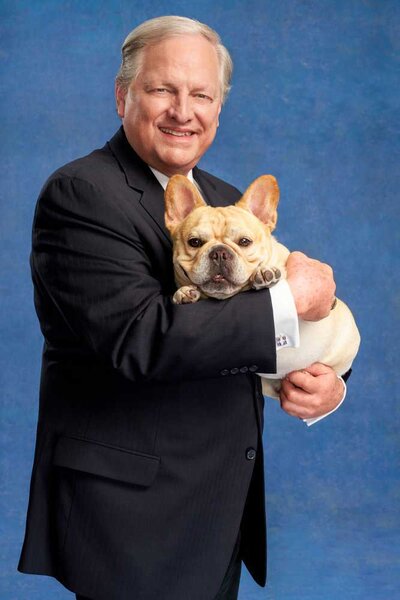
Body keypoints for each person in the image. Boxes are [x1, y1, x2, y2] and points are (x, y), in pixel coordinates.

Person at [18, 16, 349, 600]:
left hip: (219, 505)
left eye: (202, 95)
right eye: (162, 89)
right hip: (133, 518)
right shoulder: (82, 194)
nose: (183, 110)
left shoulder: (225, 201)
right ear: (123, 95)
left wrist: (329, 381)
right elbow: (142, 341)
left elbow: (265, 333)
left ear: (219, 110)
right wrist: (290, 297)